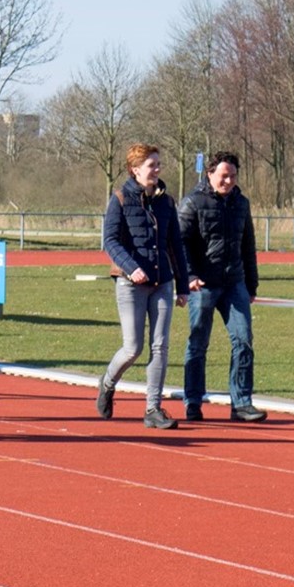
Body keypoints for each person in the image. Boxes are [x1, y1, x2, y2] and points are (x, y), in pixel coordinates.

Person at [95, 144, 190, 430]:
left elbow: (176, 245)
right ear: (135, 169)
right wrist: (131, 267)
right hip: (130, 284)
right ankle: (108, 382)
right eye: (151, 165)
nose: (157, 169)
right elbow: (110, 241)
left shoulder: (167, 202)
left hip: (162, 283)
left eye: (159, 164)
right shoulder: (121, 199)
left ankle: (153, 409)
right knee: (132, 348)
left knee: (160, 346)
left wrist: (183, 285)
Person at [179, 151, 267, 422]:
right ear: (210, 174)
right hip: (203, 285)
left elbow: (248, 245)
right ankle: (193, 401)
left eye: (232, 176)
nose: (228, 181)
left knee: (243, 340)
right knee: (198, 343)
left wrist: (251, 284)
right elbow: (180, 244)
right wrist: (189, 276)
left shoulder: (241, 203)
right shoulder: (193, 202)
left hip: (234, 283)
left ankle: (241, 403)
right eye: (223, 176)